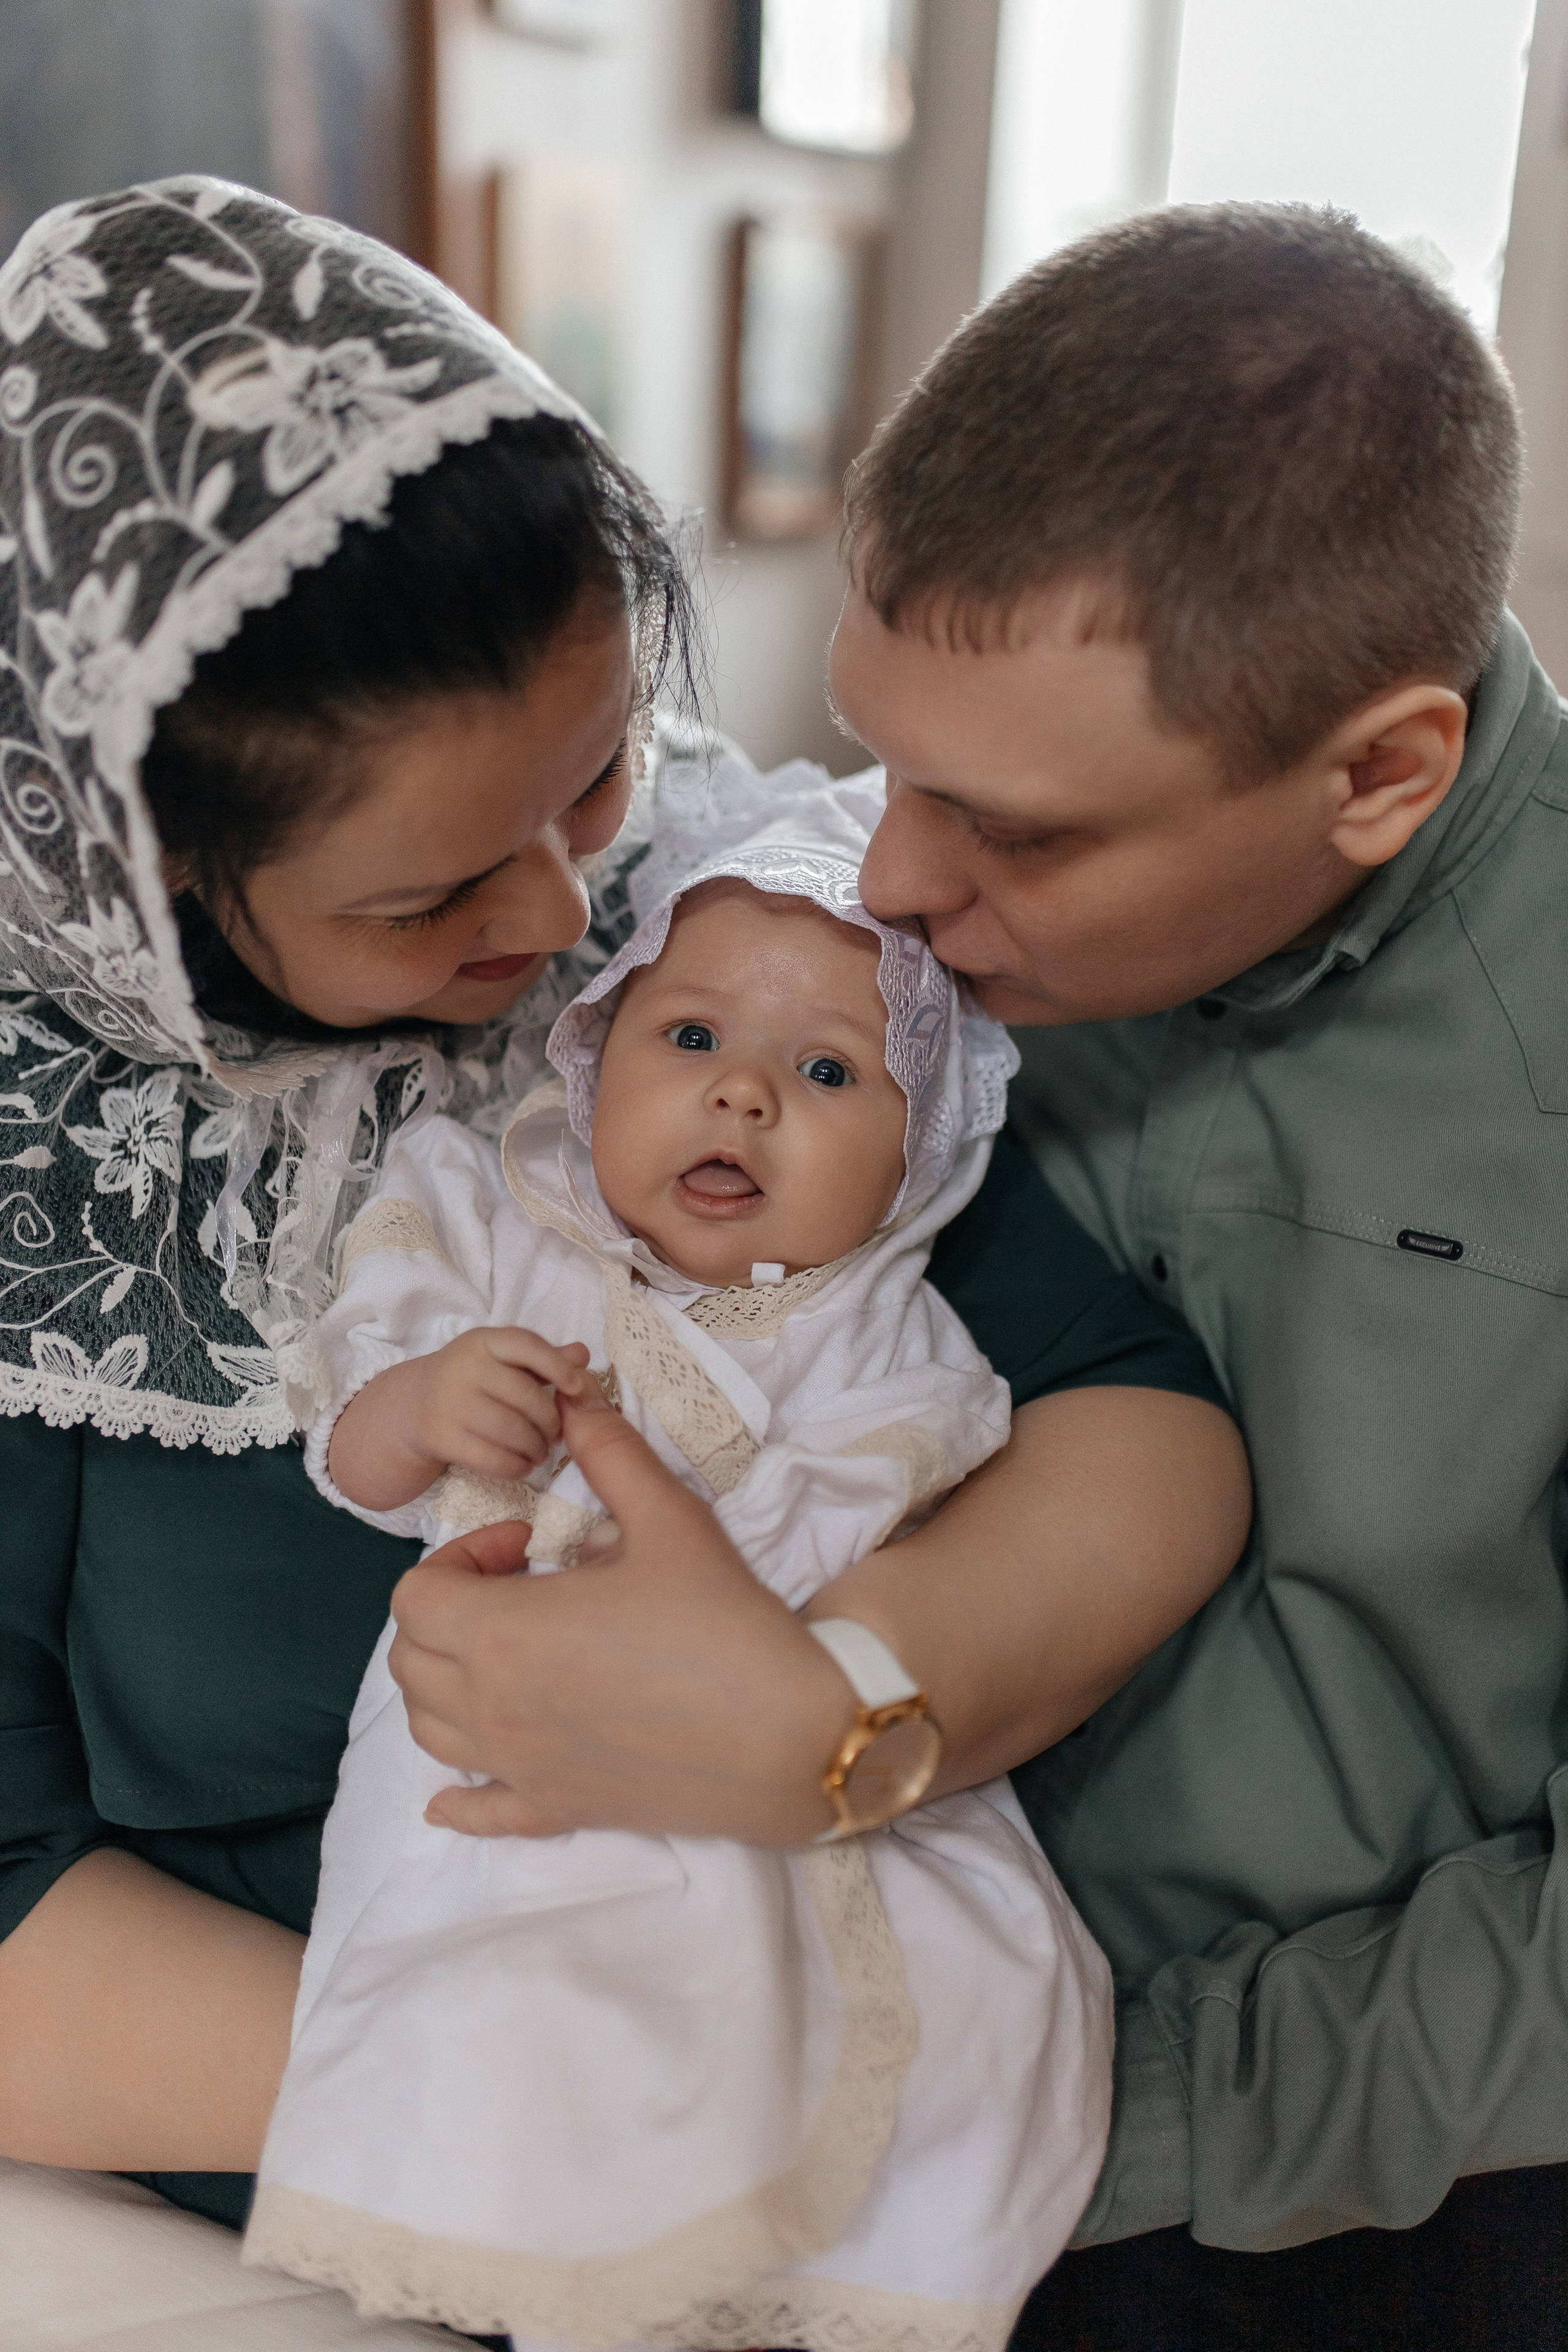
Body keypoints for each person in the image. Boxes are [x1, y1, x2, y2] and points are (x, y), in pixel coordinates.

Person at [0, 176, 1246, 2258]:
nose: (568, 913)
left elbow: (1134, 1416)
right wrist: (581, 2117)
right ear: (152, 895)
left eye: (594, 779)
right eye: (429, 896)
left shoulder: (716, 937)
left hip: (866, 2096)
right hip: (354, 2188)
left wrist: (835, 1711)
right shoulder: (48, 1181)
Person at [379, 202, 1568, 2350]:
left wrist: (1100, 2126)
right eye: (883, 758)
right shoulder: (845, 931)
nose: (894, 877)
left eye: (1010, 826)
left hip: (1296, 2200)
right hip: (781, 2070)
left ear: (1379, 773)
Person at [246, 780, 1112, 2348]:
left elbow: (887, 1513)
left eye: (828, 1071)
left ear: (914, 1161)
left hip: (753, 1713)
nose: (741, 1097)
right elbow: (355, 1463)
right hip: (492, 1717)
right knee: (526, 2007)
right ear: (591, 1061)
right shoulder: (498, 1224)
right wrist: (423, 1406)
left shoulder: (885, 1328)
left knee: (947, 2002)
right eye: (691, 1037)